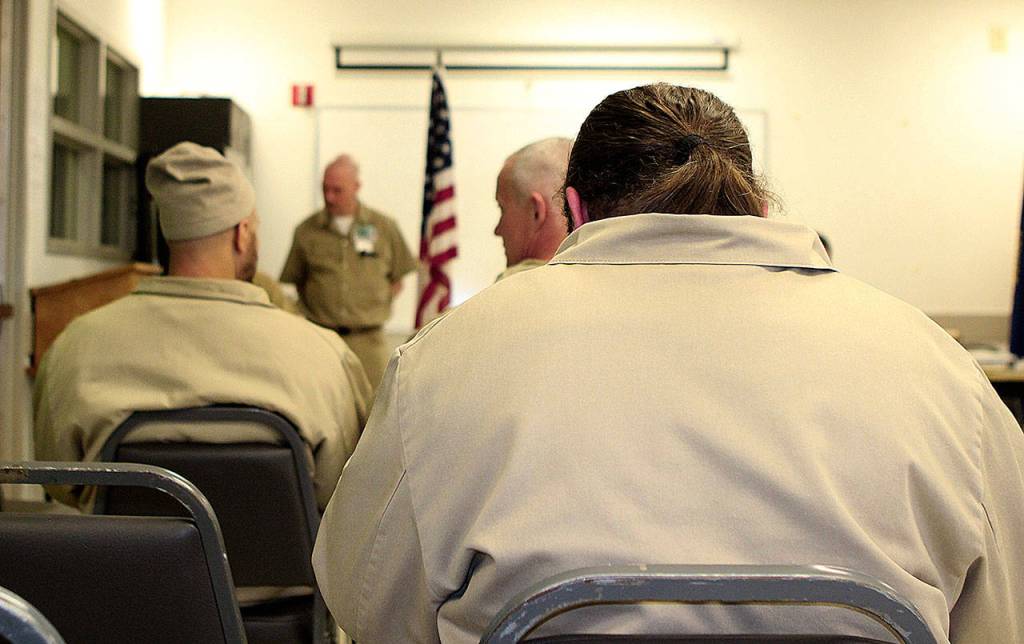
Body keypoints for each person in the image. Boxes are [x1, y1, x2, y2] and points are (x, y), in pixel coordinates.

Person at [312, 85, 1024, 642]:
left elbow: (367, 599)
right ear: (756, 200)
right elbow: (1003, 617)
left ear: (574, 206)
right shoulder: (935, 368)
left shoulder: (444, 363)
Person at [34, 141, 372, 512]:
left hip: (127, 566)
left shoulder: (78, 346)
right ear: (242, 233)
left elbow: (58, 478)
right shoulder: (322, 355)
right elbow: (345, 488)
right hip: (280, 571)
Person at [280, 155, 417, 391]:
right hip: (320, 340)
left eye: (337, 190)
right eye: (325, 189)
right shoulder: (306, 231)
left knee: (374, 411)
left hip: (368, 341)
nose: (329, 197)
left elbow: (398, 277)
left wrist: (373, 304)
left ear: (356, 187)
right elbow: (297, 280)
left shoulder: (384, 227)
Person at [493, 137, 572, 281]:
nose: (498, 230)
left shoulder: (505, 292)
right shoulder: (611, 281)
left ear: (536, 212)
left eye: (502, 209)